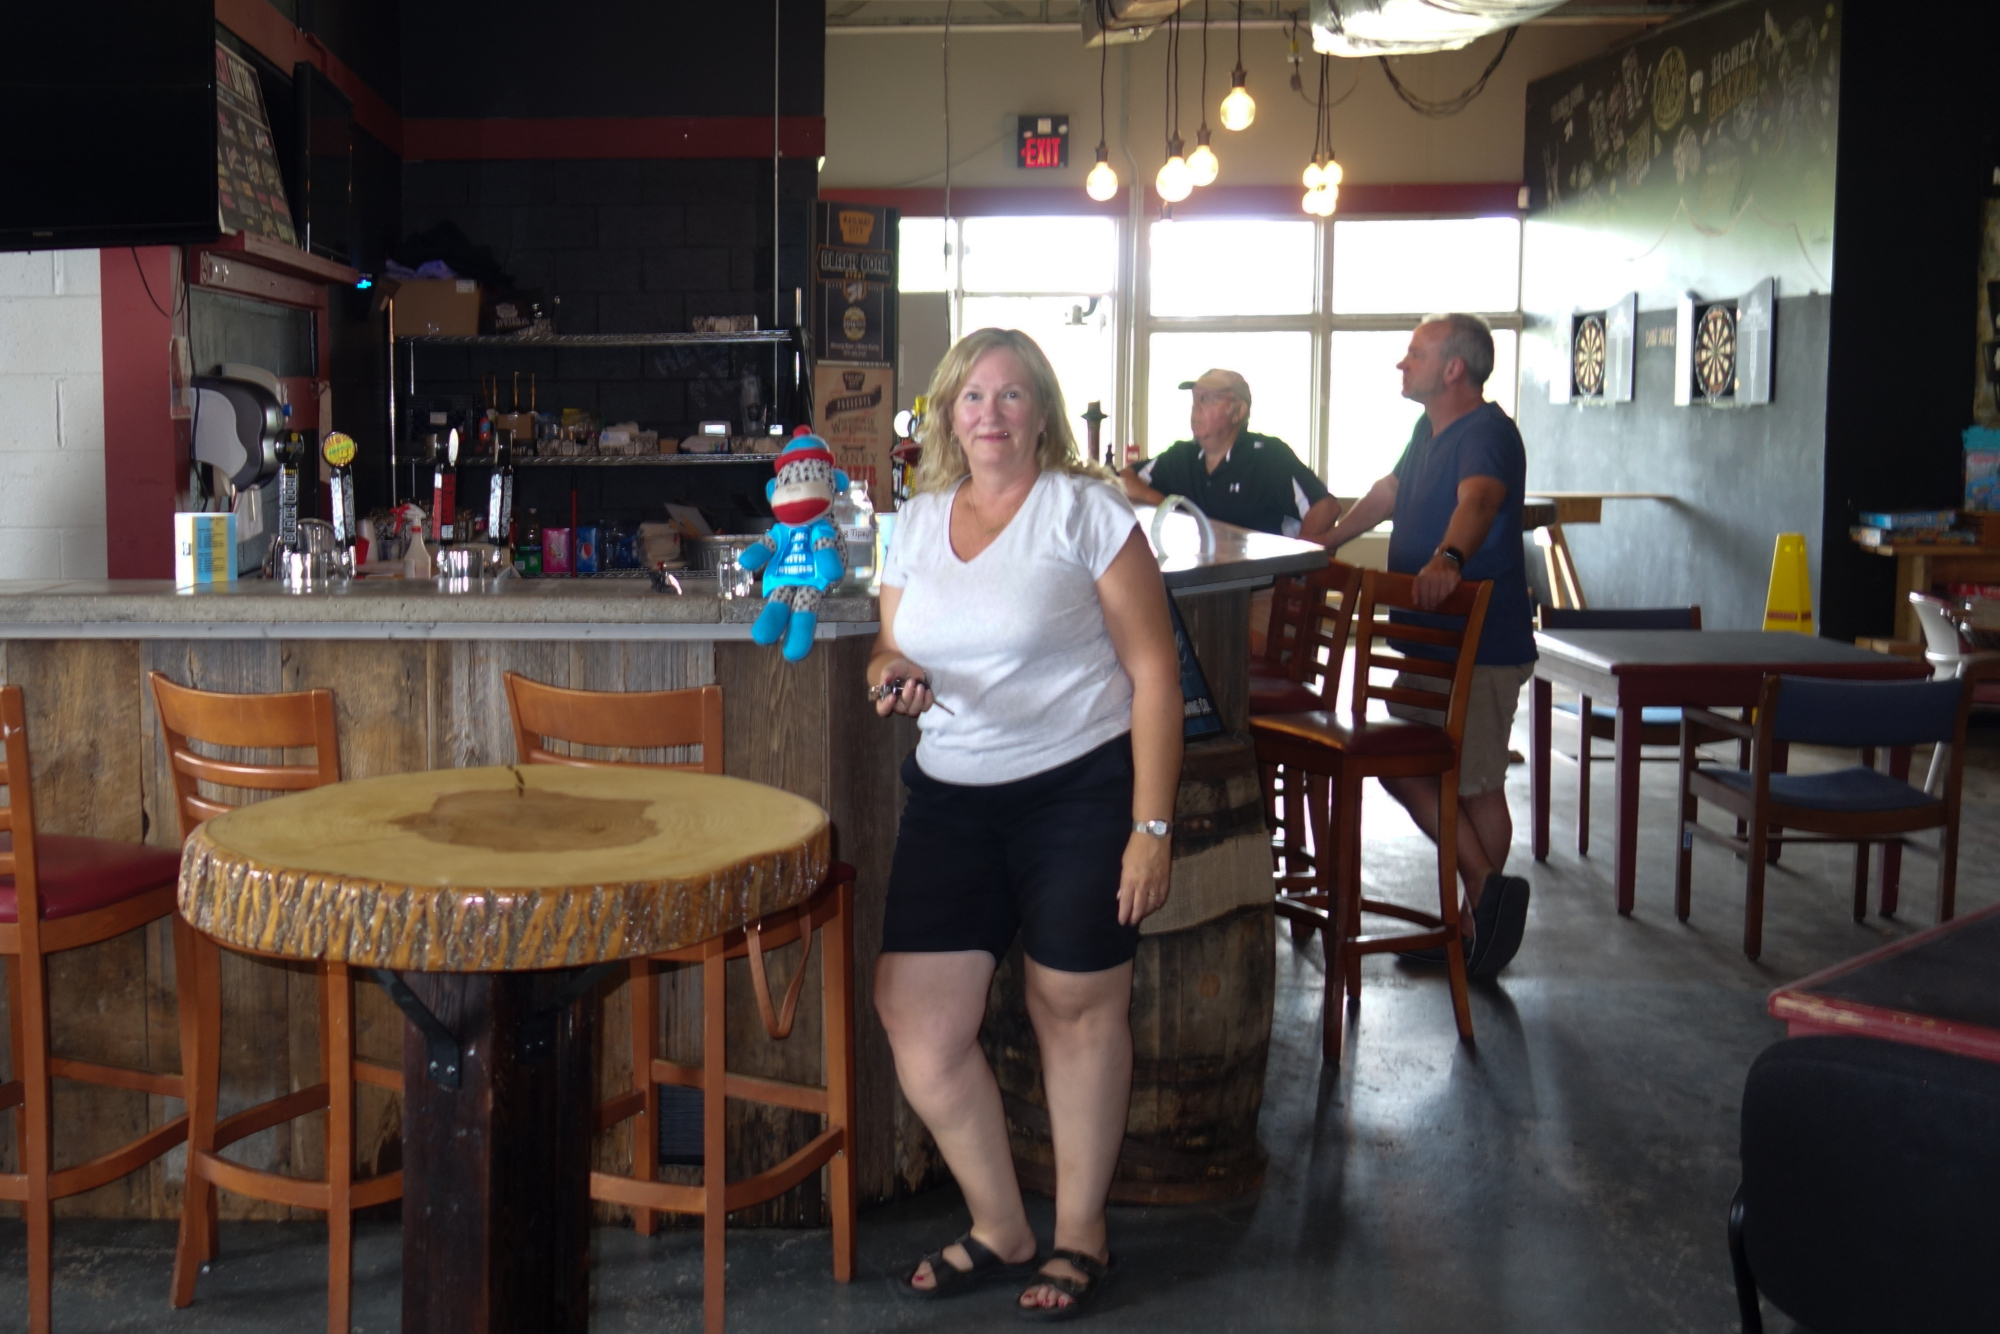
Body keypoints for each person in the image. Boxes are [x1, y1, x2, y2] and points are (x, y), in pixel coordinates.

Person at [869, 327, 1184, 1319]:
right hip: (951, 793)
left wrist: (1150, 827)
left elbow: (1154, 671)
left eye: (1011, 395)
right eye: (972, 396)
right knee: (917, 1019)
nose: (991, 414)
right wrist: (890, 673)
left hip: (1077, 786)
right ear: (946, 415)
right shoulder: (917, 520)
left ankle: (1081, 1233)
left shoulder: (1085, 511)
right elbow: (887, 644)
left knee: (1073, 1003)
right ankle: (1001, 1223)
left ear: (1042, 411)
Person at [1319, 313, 1535, 978]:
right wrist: (1327, 541)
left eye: (1414, 353)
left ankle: (1471, 927)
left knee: (1474, 785)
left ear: (1453, 369)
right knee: (1403, 763)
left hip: (1480, 642)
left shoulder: (1487, 433)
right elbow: (1389, 491)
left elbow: (1479, 501)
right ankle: (1484, 901)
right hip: (1428, 641)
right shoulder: (1428, 430)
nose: (1401, 363)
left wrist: (1448, 557)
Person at [1118, 369, 1341, 543]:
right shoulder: (1182, 455)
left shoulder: (1267, 456)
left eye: (1208, 399)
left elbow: (1326, 508)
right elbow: (1123, 478)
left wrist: (1295, 569)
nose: (1197, 407)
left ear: (1238, 411)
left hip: (1257, 582)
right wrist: (1162, 503)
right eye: (1195, 399)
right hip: (1195, 577)